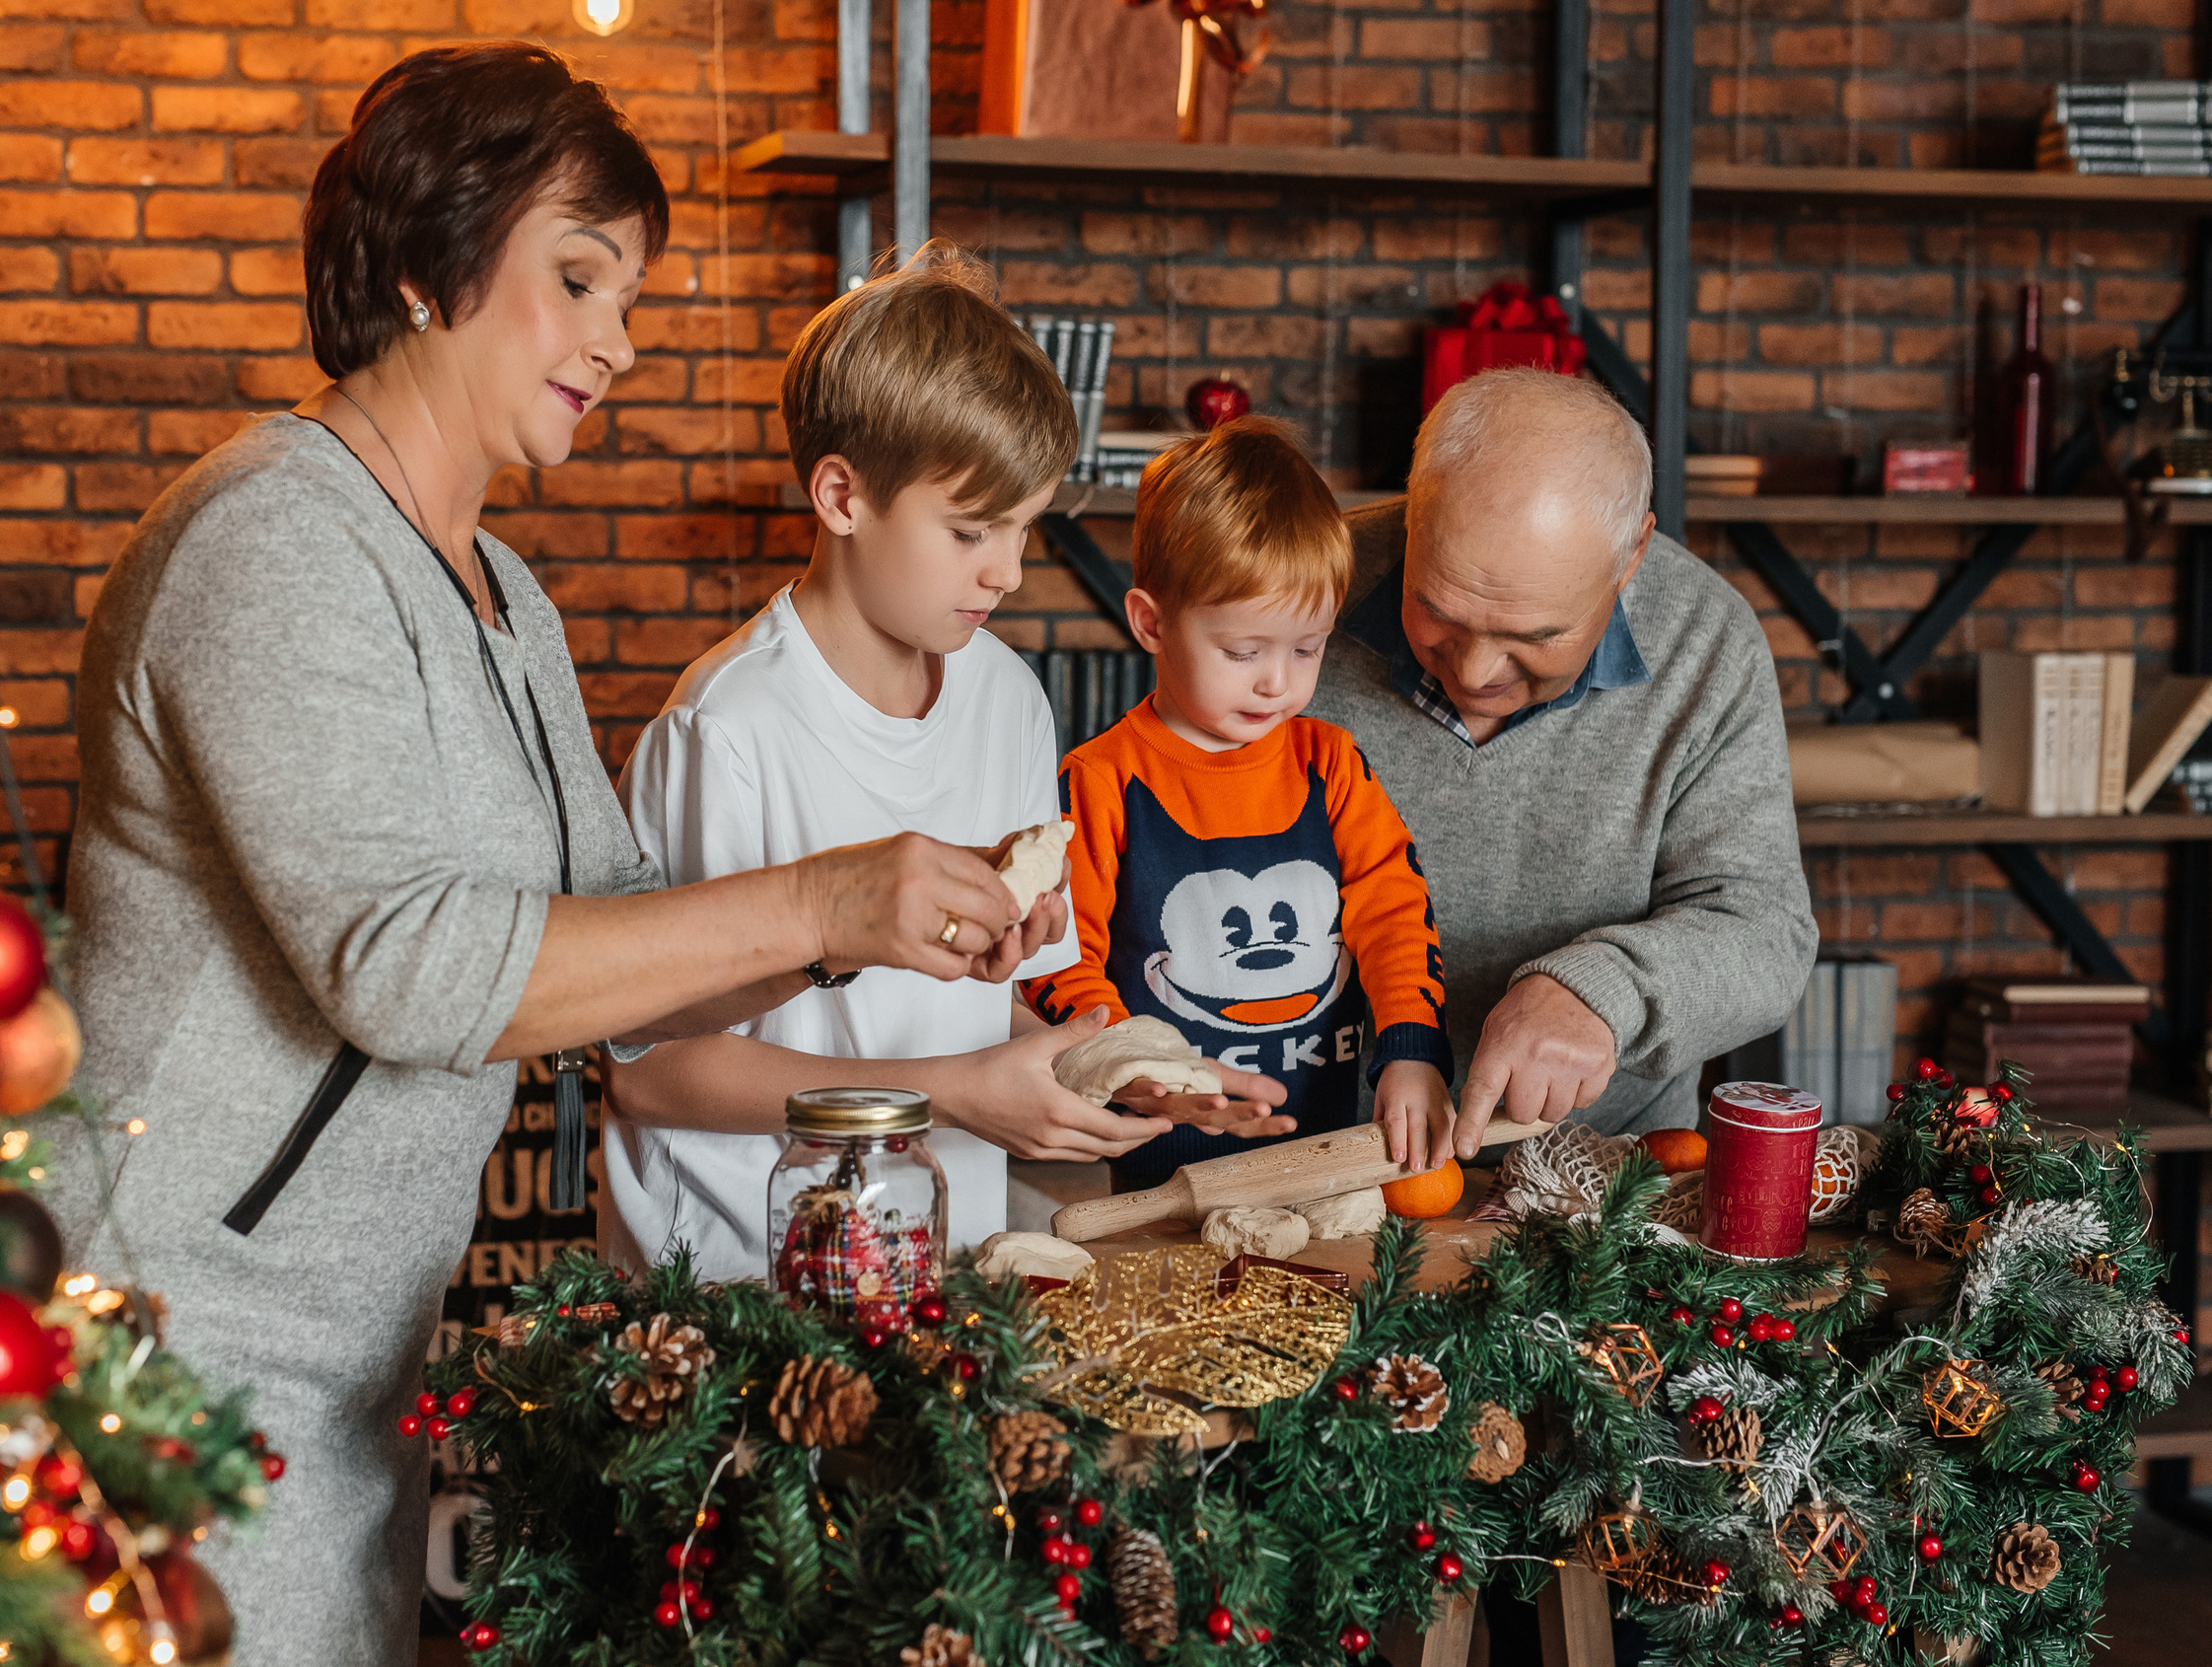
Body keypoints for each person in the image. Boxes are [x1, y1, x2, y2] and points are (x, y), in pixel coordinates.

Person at [50, 47, 1056, 1667]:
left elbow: (626, 954)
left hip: (355, 1342)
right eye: (578, 276)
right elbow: (415, 967)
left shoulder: (502, 592)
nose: (621, 339)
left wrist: (899, 922)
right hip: (173, 1331)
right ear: (421, 269)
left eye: (633, 294)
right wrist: (822, 896)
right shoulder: (271, 542)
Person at [602, 249, 1282, 1279]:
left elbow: (987, 1010)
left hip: (943, 1268)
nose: (1007, 571)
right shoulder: (727, 727)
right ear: (840, 495)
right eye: (970, 529)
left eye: (1020, 528)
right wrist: (955, 1091)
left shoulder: (1006, 695)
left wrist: (1115, 1069)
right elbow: (654, 1073)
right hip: (745, 1287)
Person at [1306, 366, 1818, 1174]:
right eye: (1437, 610)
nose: (1474, 672)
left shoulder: (1705, 639)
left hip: (1596, 1178)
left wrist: (1602, 990)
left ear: (1630, 556)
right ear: (1413, 510)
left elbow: (1763, 929)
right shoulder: (1300, 586)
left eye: (1533, 635)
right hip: (1302, 1163)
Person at [1028, 416, 1450, 1193]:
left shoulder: (1331, 763)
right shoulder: (1099, 781)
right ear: (1151, 622)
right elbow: (1056, 959)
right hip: (1157, 1173)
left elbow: (1393, 909)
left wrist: (1413, 1046)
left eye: (1306, 647)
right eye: (1243, 651)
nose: (1276, 682)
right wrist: (1129, 1062)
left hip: (1322, 1161)